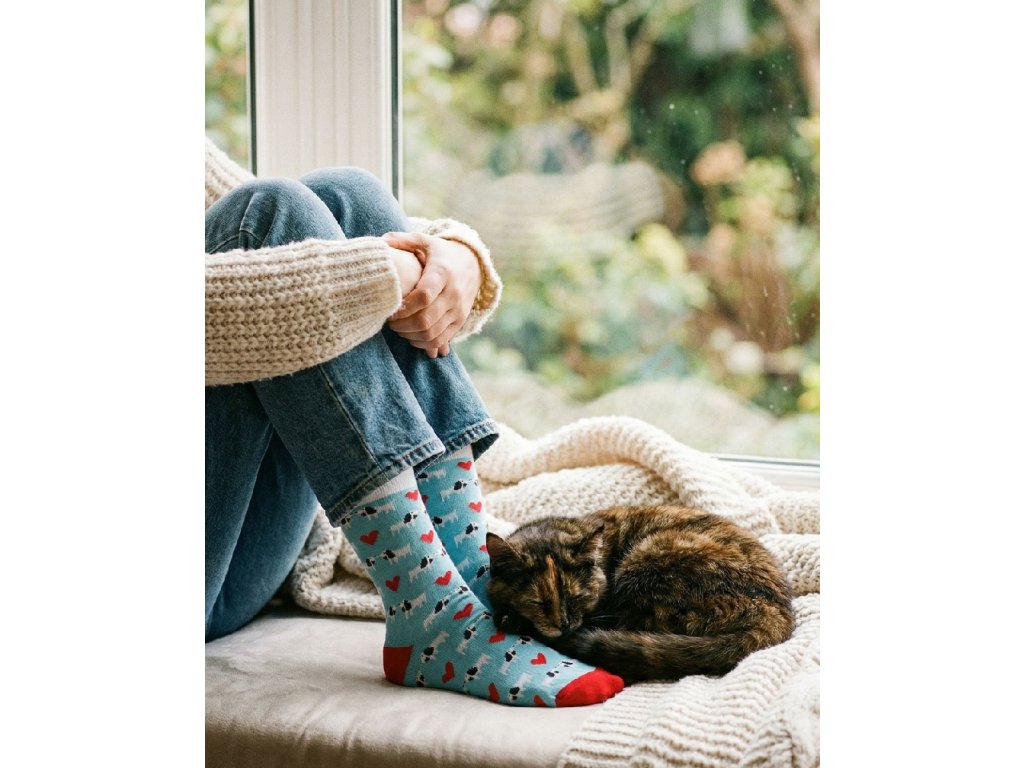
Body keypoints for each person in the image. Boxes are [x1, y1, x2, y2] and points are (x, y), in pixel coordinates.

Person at [204, 138, 624, 708]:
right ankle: (433, 616)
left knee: (348, 195)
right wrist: (383, 275)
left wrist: (456, 257)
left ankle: (469, 579)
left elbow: (250, 210)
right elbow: (253, 227)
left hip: (238, 558)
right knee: (268, 214)